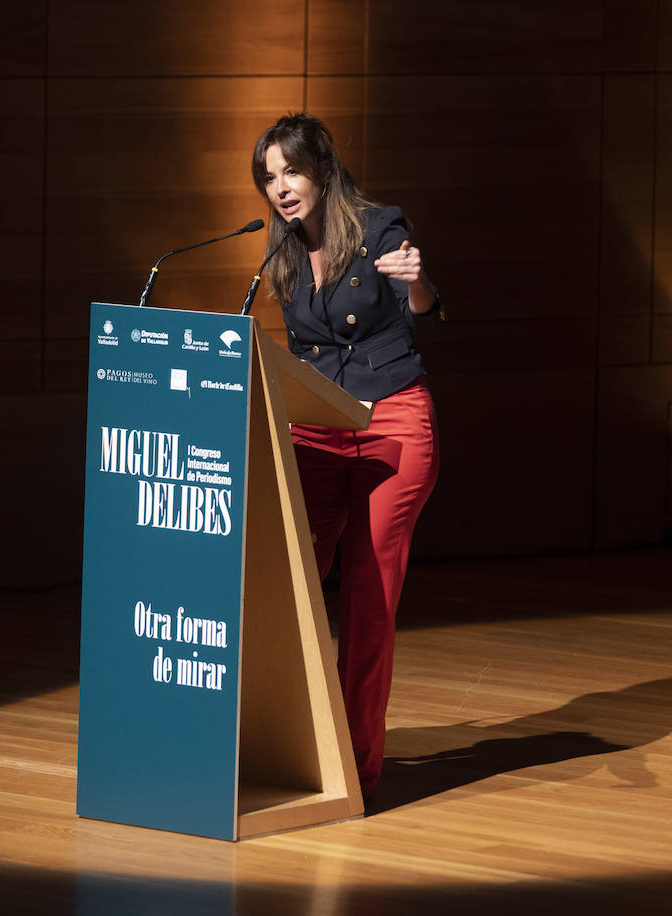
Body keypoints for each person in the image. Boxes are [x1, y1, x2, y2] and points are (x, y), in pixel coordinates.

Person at [250, 112, 442, 800]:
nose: (281, 188)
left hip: (392, 426)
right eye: (269, 178)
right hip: (319, 427)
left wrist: (415, 280)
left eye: (291, 171)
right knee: (279, 576)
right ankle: (287, 741)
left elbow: (418, 299)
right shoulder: (279, 253)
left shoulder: (381, 228)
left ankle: (353, 769)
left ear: (322, 170)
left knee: (366, 593)